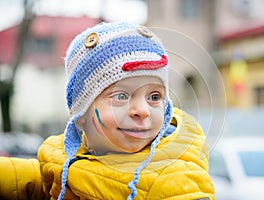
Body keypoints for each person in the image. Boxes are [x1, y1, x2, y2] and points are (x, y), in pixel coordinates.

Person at [0, 22, 215, 200]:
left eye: (154, 97)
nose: (143, 110)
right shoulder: (67, 159)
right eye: (121, 96)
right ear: (81, 114)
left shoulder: (174, 180)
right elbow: (35, 179)